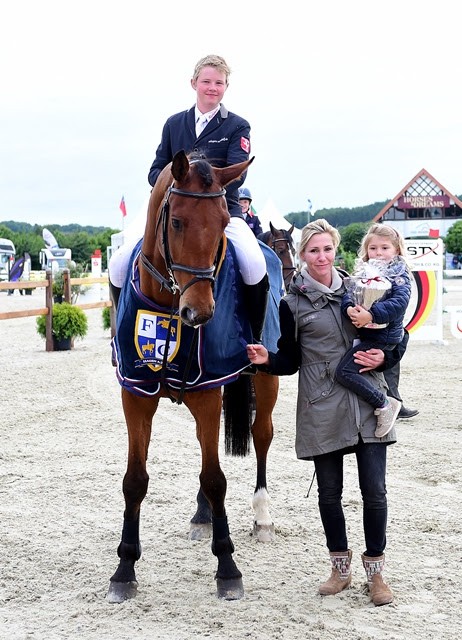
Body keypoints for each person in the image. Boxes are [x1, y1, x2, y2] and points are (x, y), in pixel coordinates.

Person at [247, 219, 407, 606]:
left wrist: (387, 355)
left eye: (328, 249)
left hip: (370, 401)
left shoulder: (363, 288)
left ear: (336, 251)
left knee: (375, 492)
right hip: (321, 405)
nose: (322, 256)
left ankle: (376, 573)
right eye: (314, 250)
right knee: (329, 494)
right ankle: (340, 569)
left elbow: (398, 333)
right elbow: (291, 359)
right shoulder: (291, 303)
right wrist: (269, 359)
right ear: (302, 255)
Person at [109, 54, 268, 345]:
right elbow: (156, 168)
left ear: (226, 87)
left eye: (219, 82)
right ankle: (120, 337)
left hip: (220, 211)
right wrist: (173, 179)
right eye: (206, 81)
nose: (212, 87)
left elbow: (239, 173)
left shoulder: (237, 126)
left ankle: (254, 339)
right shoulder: (174, 124)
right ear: (194, 83)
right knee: (119, 263)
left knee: (254, 263)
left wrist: (206, 182)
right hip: (171, 210)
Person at [335, 224, 412, 438]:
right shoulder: (364, 271)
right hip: (368, 333)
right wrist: (349, 308)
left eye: (385, 248)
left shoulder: (399, 274)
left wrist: (371, 315)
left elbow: (399, 302)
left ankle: (385, 404)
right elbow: (350, 293)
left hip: (382, 337)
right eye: (373, 248)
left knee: (345, 371)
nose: (378, 253)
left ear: (397, 250)